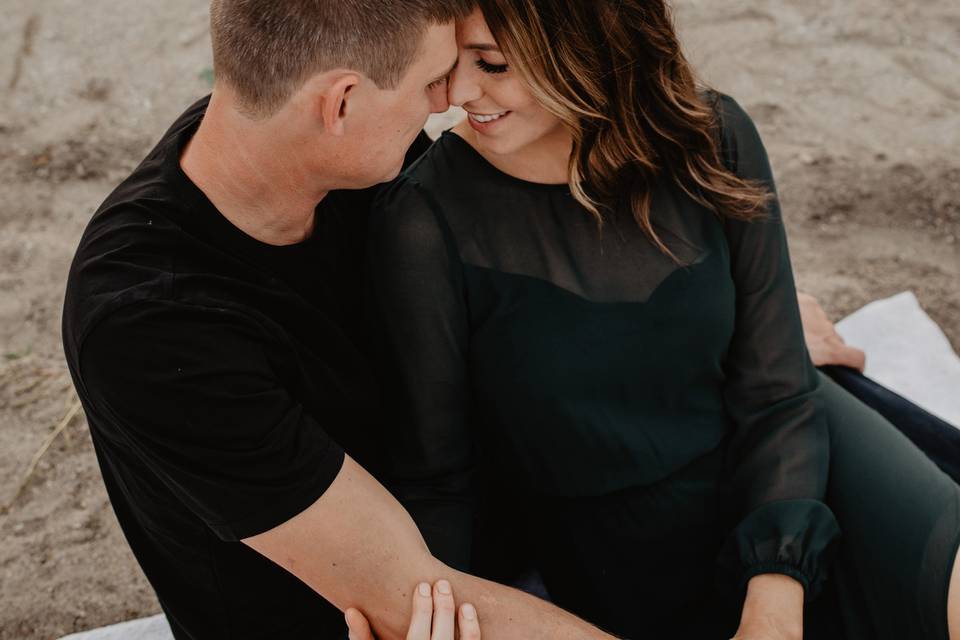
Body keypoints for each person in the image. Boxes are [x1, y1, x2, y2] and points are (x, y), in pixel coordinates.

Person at [368, 1, 960, 638]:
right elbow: (438, 473)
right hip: (623, 542)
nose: (458, 94)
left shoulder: (715, 132)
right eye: (451, 64)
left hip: (790, 461)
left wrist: (776, 605)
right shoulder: (423, 221)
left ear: (585, 44)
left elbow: (777, 388)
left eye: (492, 64)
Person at [61, 1, 623, 639]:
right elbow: (414, 600)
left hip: (489, 542)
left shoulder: (308, 139)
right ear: (342, 103)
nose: (448, 101)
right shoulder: (149, 325)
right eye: (432, 80)